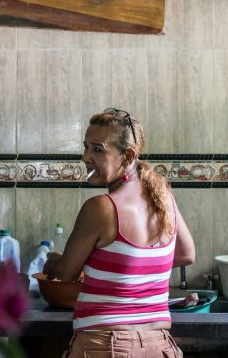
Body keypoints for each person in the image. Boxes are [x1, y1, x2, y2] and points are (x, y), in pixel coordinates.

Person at [43, 108, 195, 358]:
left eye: (97, 149)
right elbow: (186, 254)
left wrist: (54, 261)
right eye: (86, 147)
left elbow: (67, 273)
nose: (85, 157)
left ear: (128, 156)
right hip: (159, 347)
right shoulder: (164, 198)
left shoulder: (101, 207)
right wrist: (126, 266)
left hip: (105, 346)